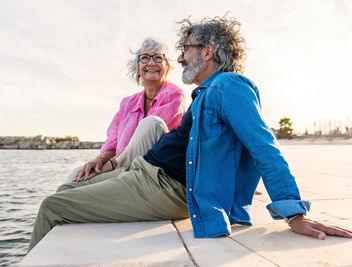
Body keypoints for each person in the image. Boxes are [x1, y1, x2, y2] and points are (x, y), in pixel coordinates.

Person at [28, 16, 352, 252]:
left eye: (185, 49)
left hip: (160, 186)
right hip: (144, 174)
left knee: (51, 206)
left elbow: (263, 145)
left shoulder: (230, 87)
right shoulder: (207, 93)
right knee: (67, 187)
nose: (180, 57)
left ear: (208, 51)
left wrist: (293, 211)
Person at [72, 38, 187, 181]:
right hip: (118, 168)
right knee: (78, 173)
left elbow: (147, 136)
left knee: (152, 123)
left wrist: (110, 165)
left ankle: (108, 174)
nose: (151, 62)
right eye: (144, 58)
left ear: (167, 66)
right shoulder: (127, 103)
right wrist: (98, 161)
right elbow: (112, 143)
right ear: (138, 67)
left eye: (158, 57)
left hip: (153, 168)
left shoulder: (174, 95)